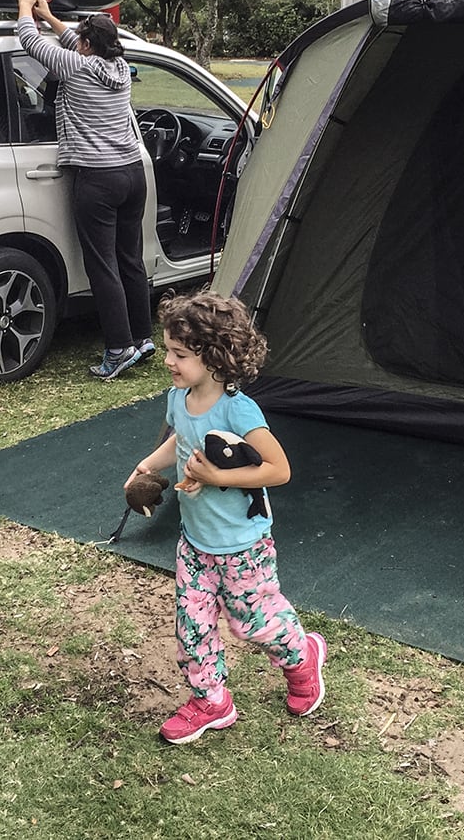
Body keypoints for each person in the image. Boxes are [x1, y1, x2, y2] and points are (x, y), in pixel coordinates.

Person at [123, 291, 327, 744]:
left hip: (242, 546)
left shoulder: (239, 409)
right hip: (195, 542)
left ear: (213, 356)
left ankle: (303, 657)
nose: (169, 362)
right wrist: (149, 466)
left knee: (252, 622)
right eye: (169, 351)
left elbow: (279, 469)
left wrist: (216, 476)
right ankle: (210, 700)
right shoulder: (181, 397)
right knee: (192, 625)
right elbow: (180, 441)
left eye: (179, 354)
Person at [15, 0, 155, 380]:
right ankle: (142, 337)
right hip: (131, 174)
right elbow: (71, 44)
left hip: (97, 178)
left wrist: (27, 9)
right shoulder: (121, 67)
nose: (75, 42)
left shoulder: (75, 68)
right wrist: (52, 16)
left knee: (102, 264)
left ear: (88, 45)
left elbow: (30, 41)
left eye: (80, 39)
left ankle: (117, 348)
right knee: (130, 259)